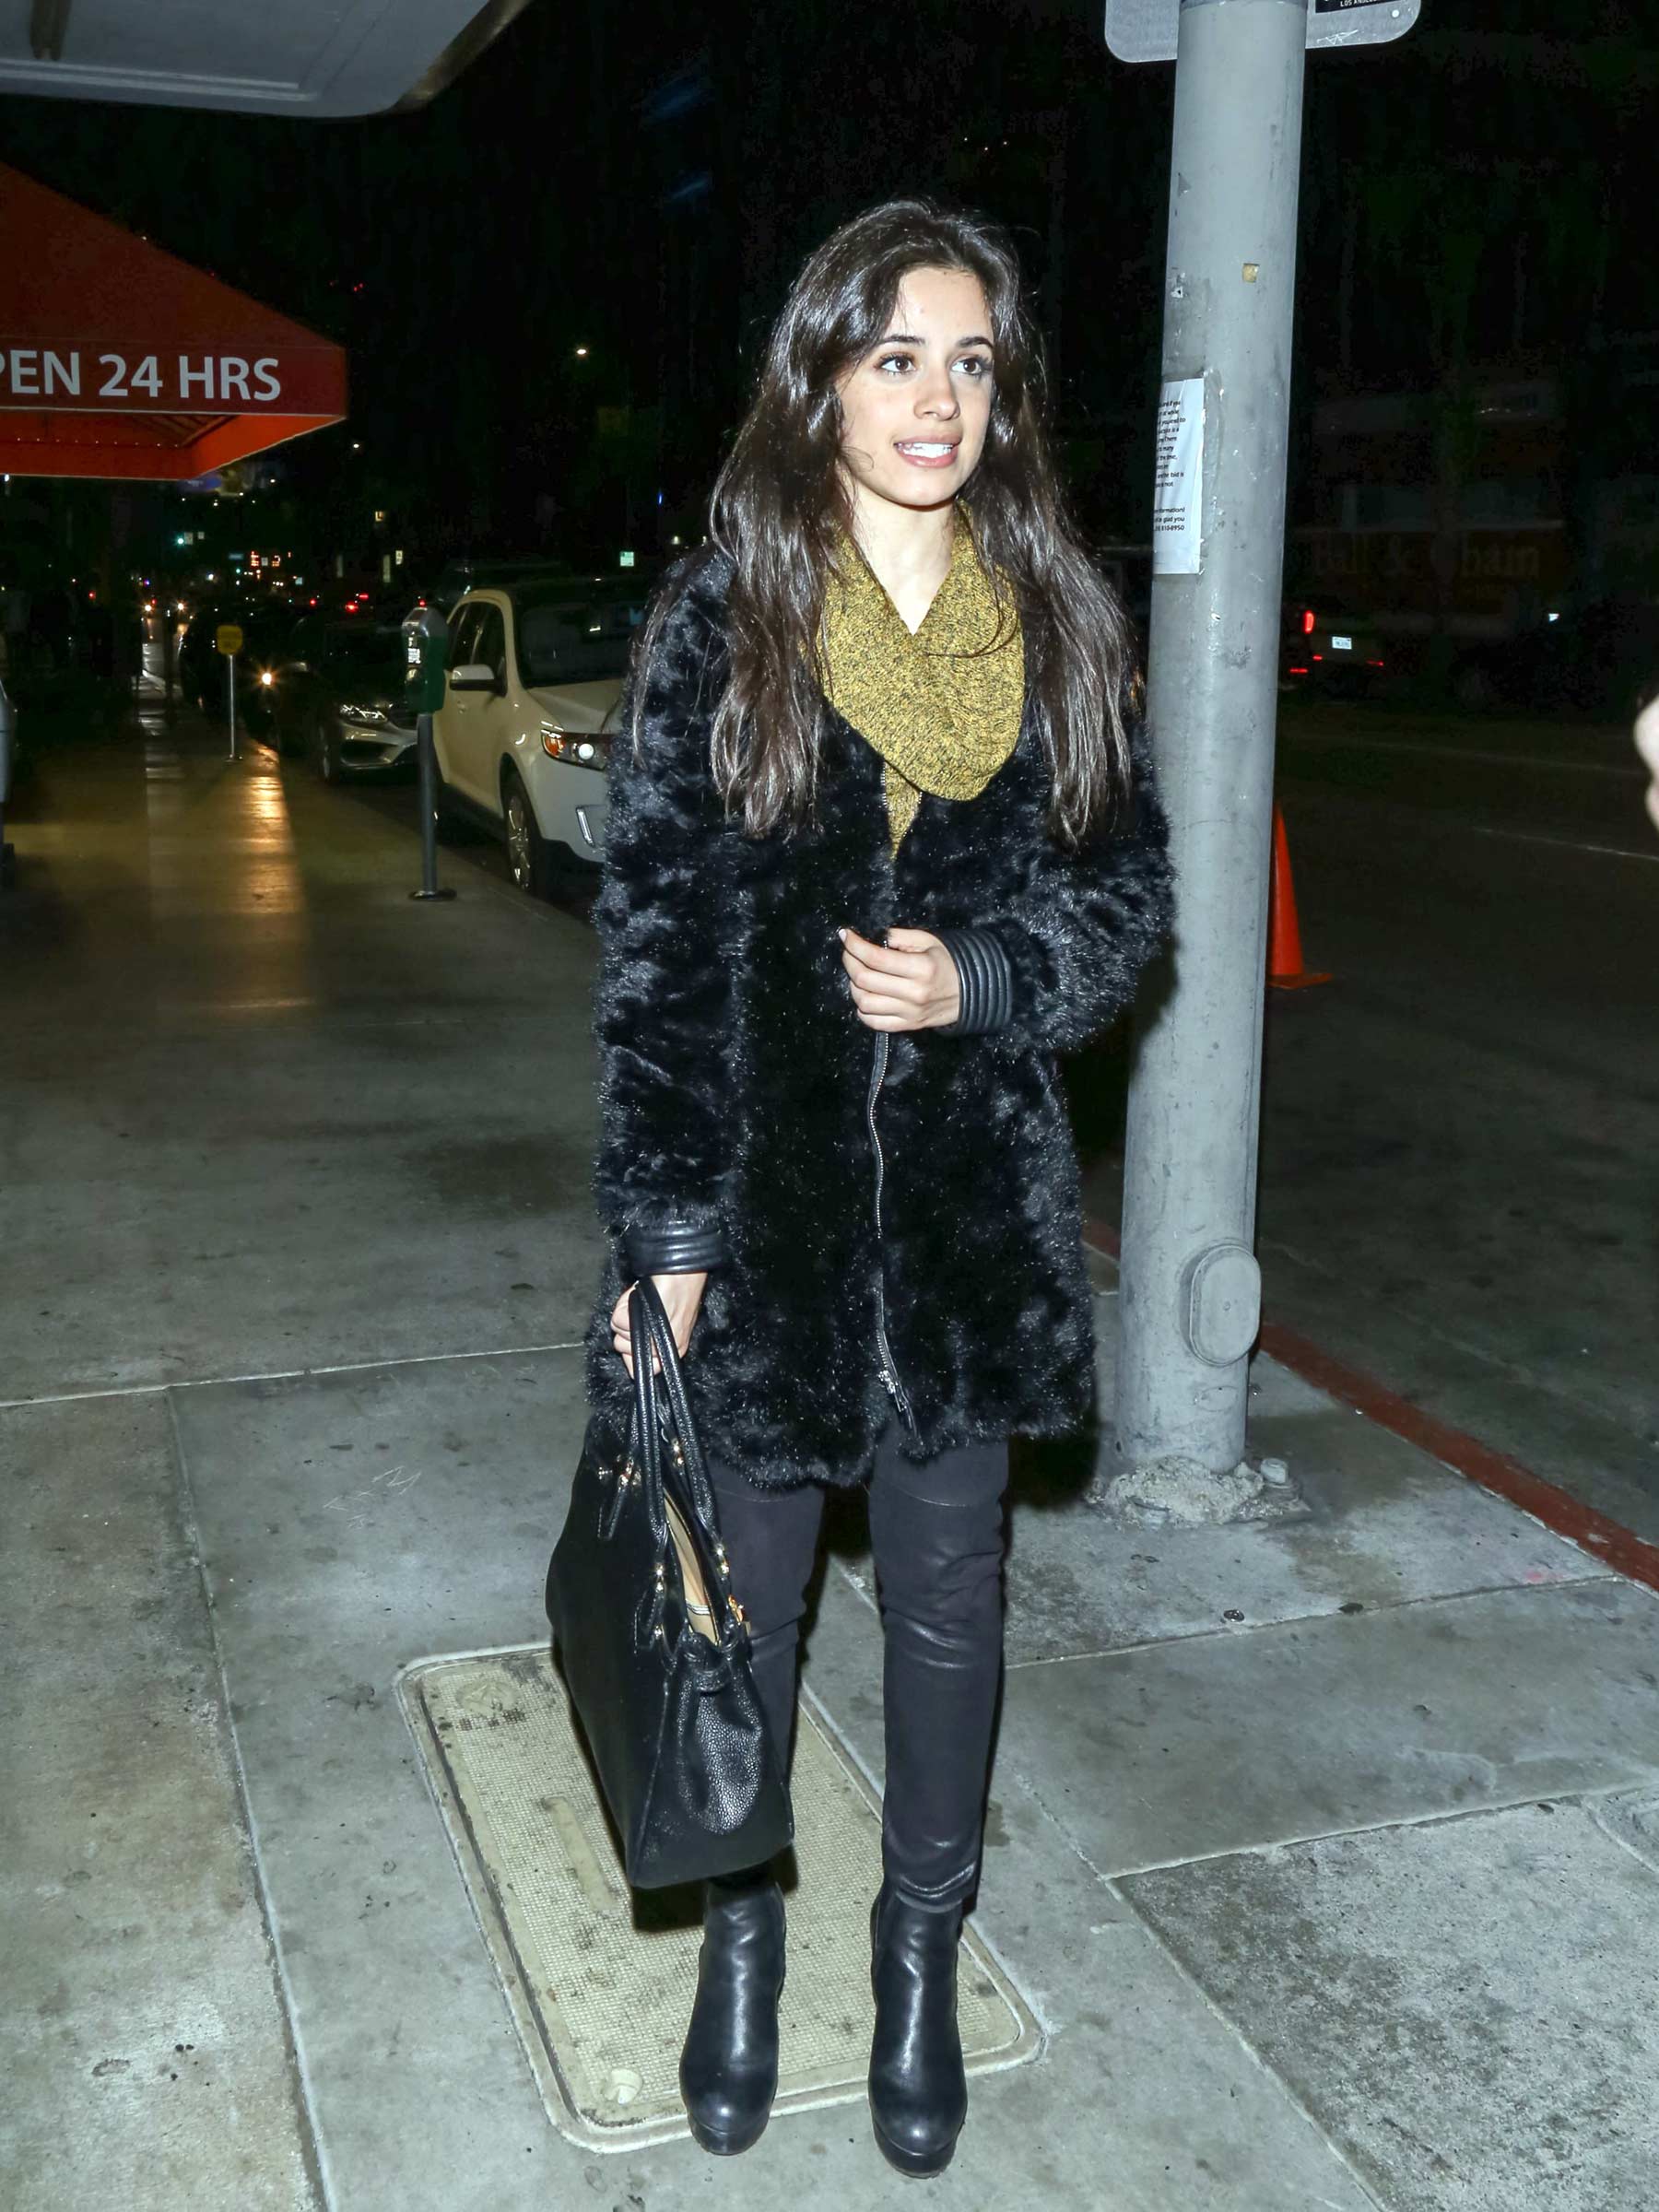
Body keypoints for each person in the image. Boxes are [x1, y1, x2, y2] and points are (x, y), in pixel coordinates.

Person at [581, 197, 1175, 2176]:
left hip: (969, 1222)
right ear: (821, 378)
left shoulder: (1062, 624)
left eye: (971, 363)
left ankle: (918, 1955)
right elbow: (657, 957)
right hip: (768, 1225)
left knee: (947, 1605)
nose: (937, 399)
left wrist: (984, 980)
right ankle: (740, 1942)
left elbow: (1130, 901)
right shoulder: (727, 622)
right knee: (741, 1613)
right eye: (897, 356)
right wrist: (667, 1238)